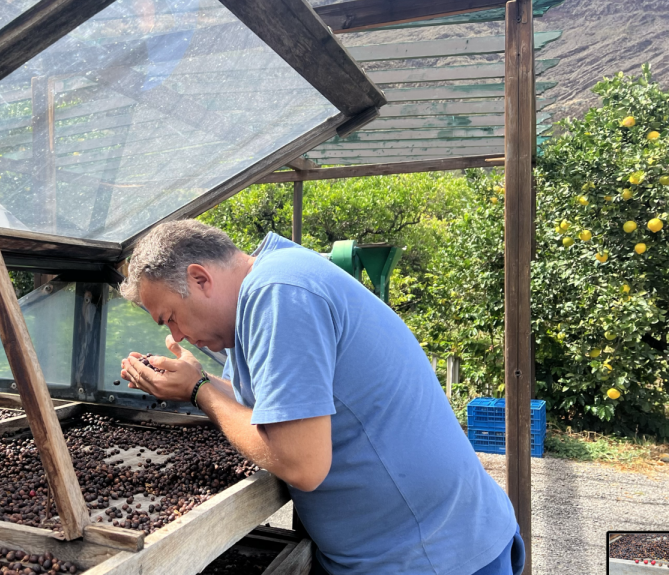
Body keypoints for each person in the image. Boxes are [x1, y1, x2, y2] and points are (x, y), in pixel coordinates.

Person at [119, 220, 525, 575]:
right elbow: (275, 405)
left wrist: (199, 391)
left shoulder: (278, 293)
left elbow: (301, 462)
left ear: (200, 279)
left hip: (430, 556)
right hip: (417, 545)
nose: (177, 336)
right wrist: (196, 379)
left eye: (170, 316)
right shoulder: (276, 280)